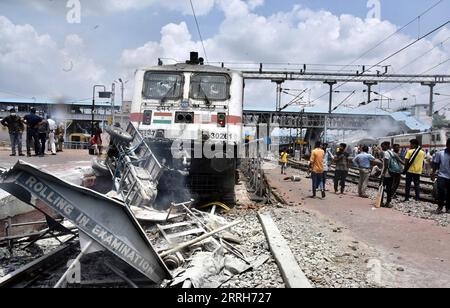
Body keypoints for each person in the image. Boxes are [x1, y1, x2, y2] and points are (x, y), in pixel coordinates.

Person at [431, 138, 450, 214]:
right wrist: (433, 173)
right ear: (447, 145)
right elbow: (435, 164)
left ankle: (448, 208)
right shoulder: (440, 153)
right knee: (441, 191)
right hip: (442, 175)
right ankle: (440, 206)